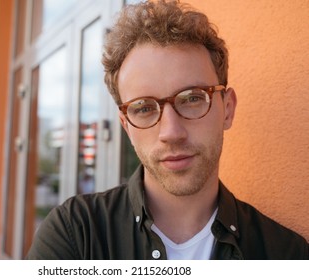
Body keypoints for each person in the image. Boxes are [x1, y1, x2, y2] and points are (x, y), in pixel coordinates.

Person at [26, 0, 308, 259]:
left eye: (193, 98)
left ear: (228, 109)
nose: (171, 132)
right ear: (126, 126)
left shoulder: (286, 254)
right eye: (144, 108)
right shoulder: (76, 236)